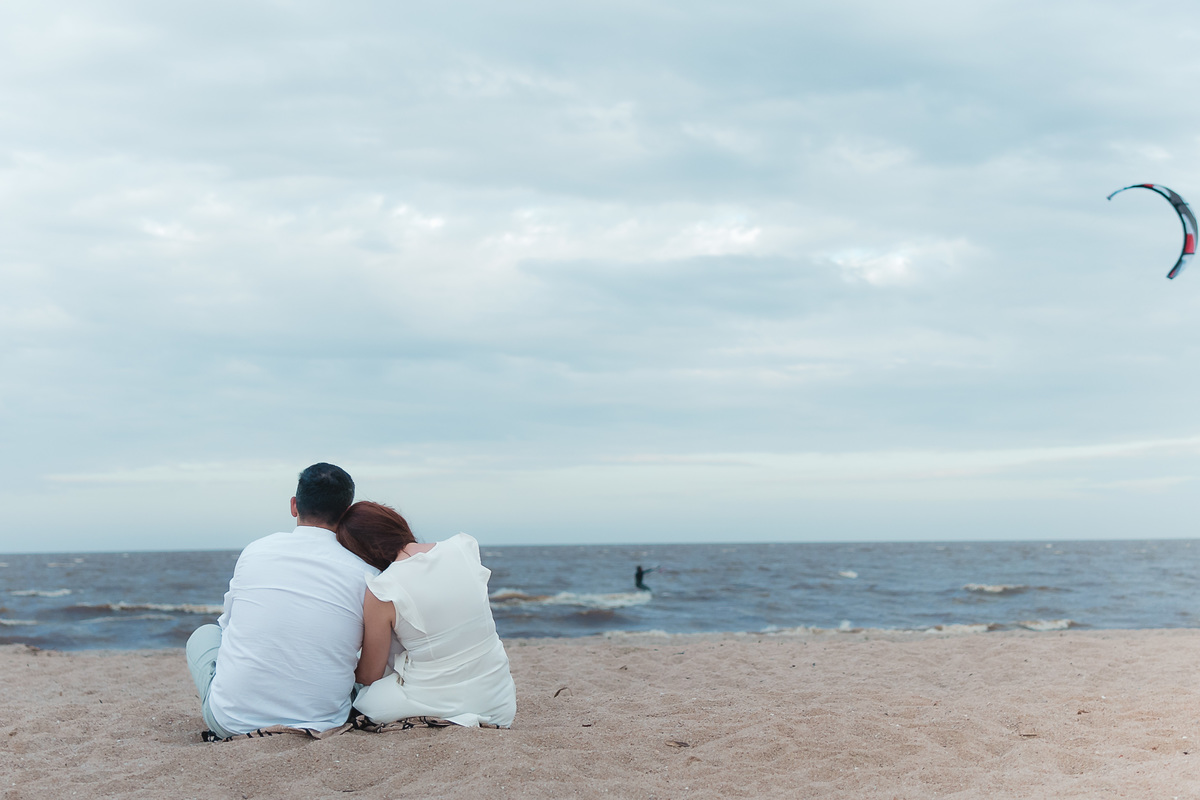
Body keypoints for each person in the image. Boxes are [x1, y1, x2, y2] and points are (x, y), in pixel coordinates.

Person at [185, 463, 378, 739]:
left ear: (293, 506)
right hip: (324, 722)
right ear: (347, 513)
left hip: (232, 721)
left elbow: (227, 627)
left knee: (205, 635)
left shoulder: (256, 551)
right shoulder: (365, 572)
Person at [335, 501, 516, 728]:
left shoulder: (383, 590)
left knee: (366, 700)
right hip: (500, 704)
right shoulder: (462, 547)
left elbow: (370, 674)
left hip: (442, 703)